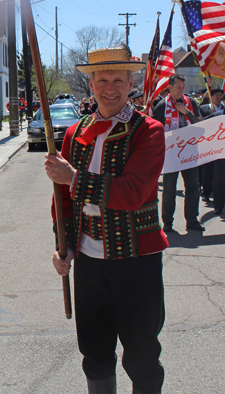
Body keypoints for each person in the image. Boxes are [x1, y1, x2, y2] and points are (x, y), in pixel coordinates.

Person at [45, 46, 168, 394]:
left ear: (131, 83)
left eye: (118, 79)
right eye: (102, 79)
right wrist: (63, 247)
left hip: (136, 260)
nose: (109, 87)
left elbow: (133, 192)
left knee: (142, 354)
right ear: (91, 83)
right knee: (95, 352)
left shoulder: (148, 130)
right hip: (89, 262)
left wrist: (74, 178)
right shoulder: (74, 133)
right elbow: (63, 203)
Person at [152, 74, 204, 233]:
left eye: (183, 87)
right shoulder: (162, 106)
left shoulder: (191, 102)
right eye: (178, 87)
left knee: (193, 187)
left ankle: (192, 220)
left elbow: (200, 125)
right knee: (169, 189)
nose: (182, 90)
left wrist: (187, 112)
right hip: (171, 155)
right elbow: (155, 130)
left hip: (189, 152)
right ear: (170, 87)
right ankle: (167, 222)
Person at [199, 89, 225, 215]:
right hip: (219, 154)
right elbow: (199, 123)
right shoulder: (217, 115)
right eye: (218, 95)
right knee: (219, 180)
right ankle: (218, 206)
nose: (219, 97)